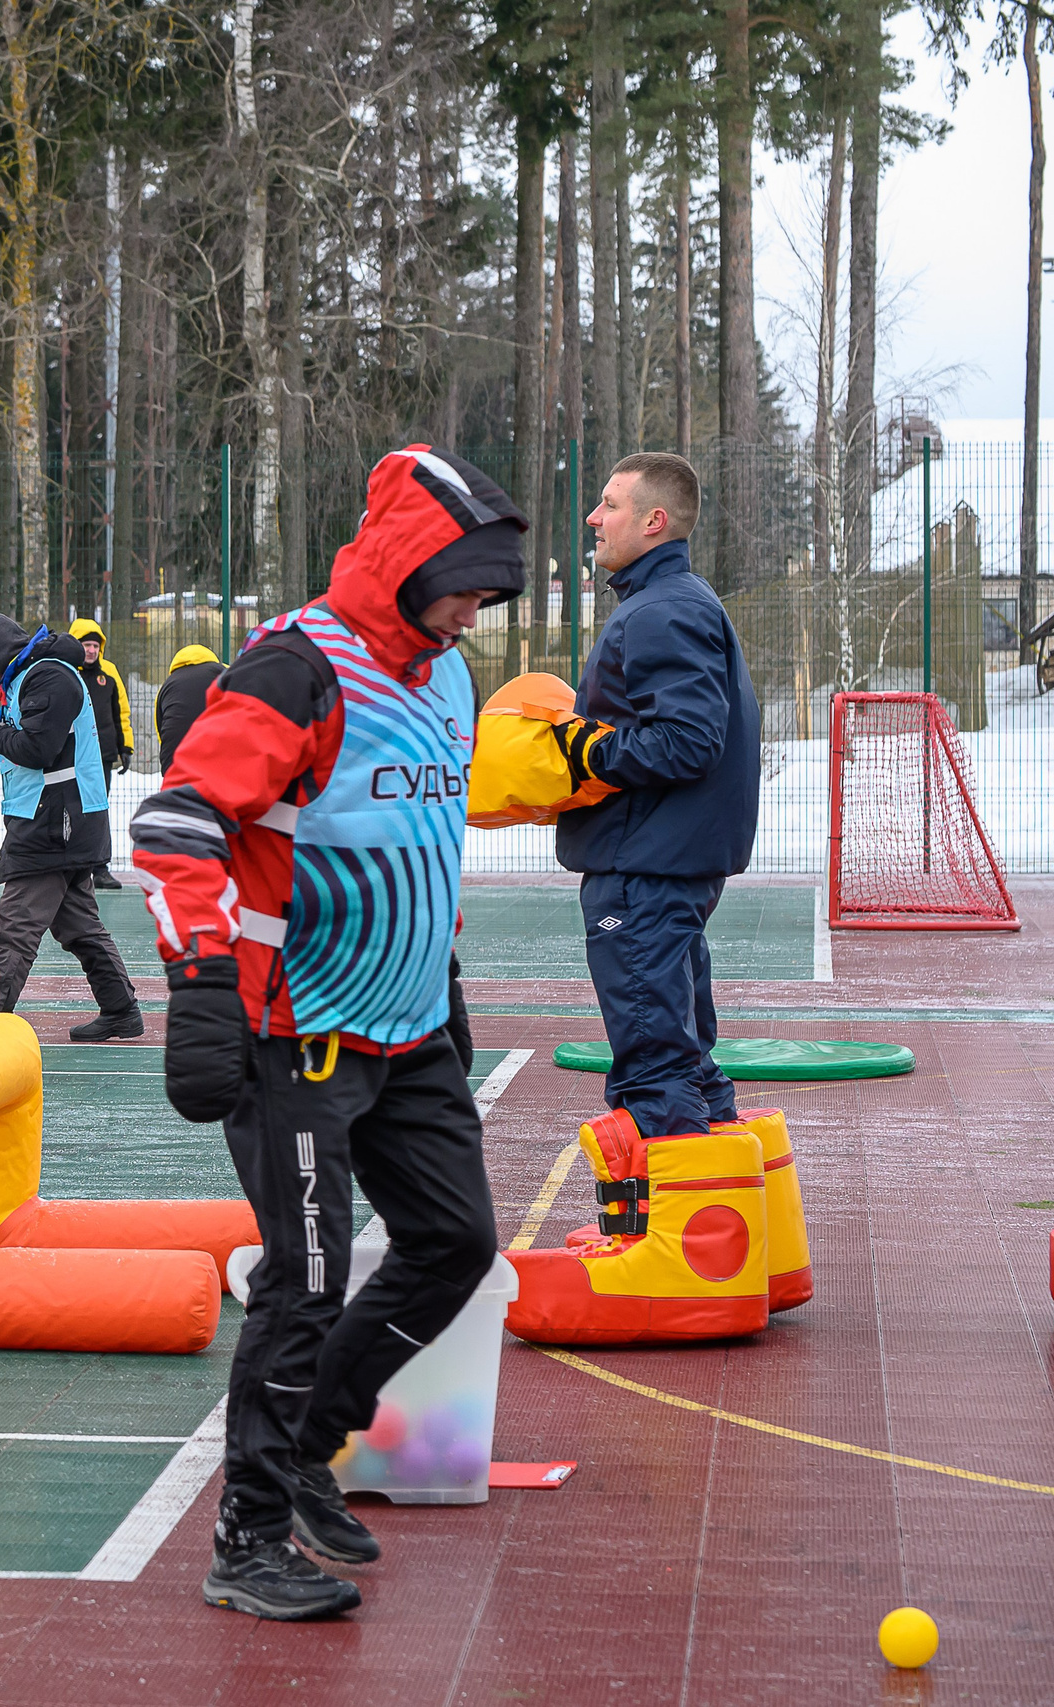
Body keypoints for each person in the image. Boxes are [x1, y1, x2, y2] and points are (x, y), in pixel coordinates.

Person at [129, 446, 518, 1620]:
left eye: (488, 595)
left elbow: (422, 838)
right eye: (462, 585)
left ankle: (307, 1449)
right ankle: (243, 1543)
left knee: (454, 1245)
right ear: (407, 563)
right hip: (294, 1031)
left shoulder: (447, 675)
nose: (474, 612)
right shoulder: (299, 669)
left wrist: (438, 976)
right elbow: (173, 820)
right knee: (299, 1283)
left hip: (411, 1029)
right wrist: (200, 986)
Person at [556, 452, 762, 1147]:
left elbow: (688, 740)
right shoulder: (673, 602)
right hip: (660, 863)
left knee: (655, 1068)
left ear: (653, 520)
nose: (594, 517)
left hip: (644, 869)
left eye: (609, 504)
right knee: (686, 1061)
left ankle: (678, 1247)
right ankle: (724, 1235)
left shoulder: (662, 611)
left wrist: (585, 750)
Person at [0, 613, 143, 1042]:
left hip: (56, 821)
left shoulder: (48, 677)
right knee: (79, 926)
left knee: (17, 921)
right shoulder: (33, 677)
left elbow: (37, 748)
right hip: (58, 818)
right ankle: (121, 1010)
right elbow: (29, 750)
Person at [67, 619, 135, 888]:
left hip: (102, 754)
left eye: (95, 645)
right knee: (71, 808)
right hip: (71, 754)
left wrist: (125, 746)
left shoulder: (109, 673)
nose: (91, 650)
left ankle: (100, 867)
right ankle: (73, 865)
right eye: (86, 644)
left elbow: (122, 711)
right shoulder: (65, 672)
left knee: (98, 810)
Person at [152, 642, 223, 772]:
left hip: (175, 761)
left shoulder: (166, 686)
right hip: (221, 757)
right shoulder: (224, 671)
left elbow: (161, 729)